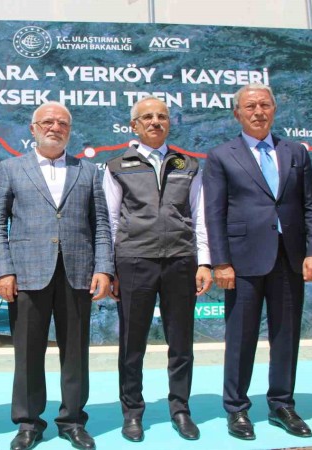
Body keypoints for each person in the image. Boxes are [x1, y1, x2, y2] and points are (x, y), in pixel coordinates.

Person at [0, 101, 114, 450]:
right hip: (27, 274)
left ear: (69, 131)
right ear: (33, 129)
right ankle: (28, 422)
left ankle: (73, 420)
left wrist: (103, 268)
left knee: (75, 353)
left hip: (77, 273)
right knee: (28, 353)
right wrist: (3, 270)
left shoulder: (88, 171)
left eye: (62, 123)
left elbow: (101, 225)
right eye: (47, 122)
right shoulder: (10, 169)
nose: (54, 128)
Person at [203, 83, 312, 440]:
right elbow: (214, 213)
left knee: (286, 335)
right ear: (237, 113)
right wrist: (220, 262)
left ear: (274, 109)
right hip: (242, 261)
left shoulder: (296, 152)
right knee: (241, 338)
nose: (258, 112)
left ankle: (282, 404)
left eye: (265, 105)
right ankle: (237, 408)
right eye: (250, 106)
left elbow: (309, 206)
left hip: (289, 258)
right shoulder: (221, 155)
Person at [103, 96, 212, 442]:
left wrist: (204, 261)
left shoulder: (187, 164)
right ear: (133, 125)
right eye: (147, 117)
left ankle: (180, 409)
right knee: (131, 344)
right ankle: (132, 412)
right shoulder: (117, 165)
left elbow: (199, 216)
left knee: (181, 343)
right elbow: (110, 220)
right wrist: (110, 268)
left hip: (180, 261)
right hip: (134, 261)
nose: (155, 122)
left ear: (169, 123)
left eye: (162, 116)